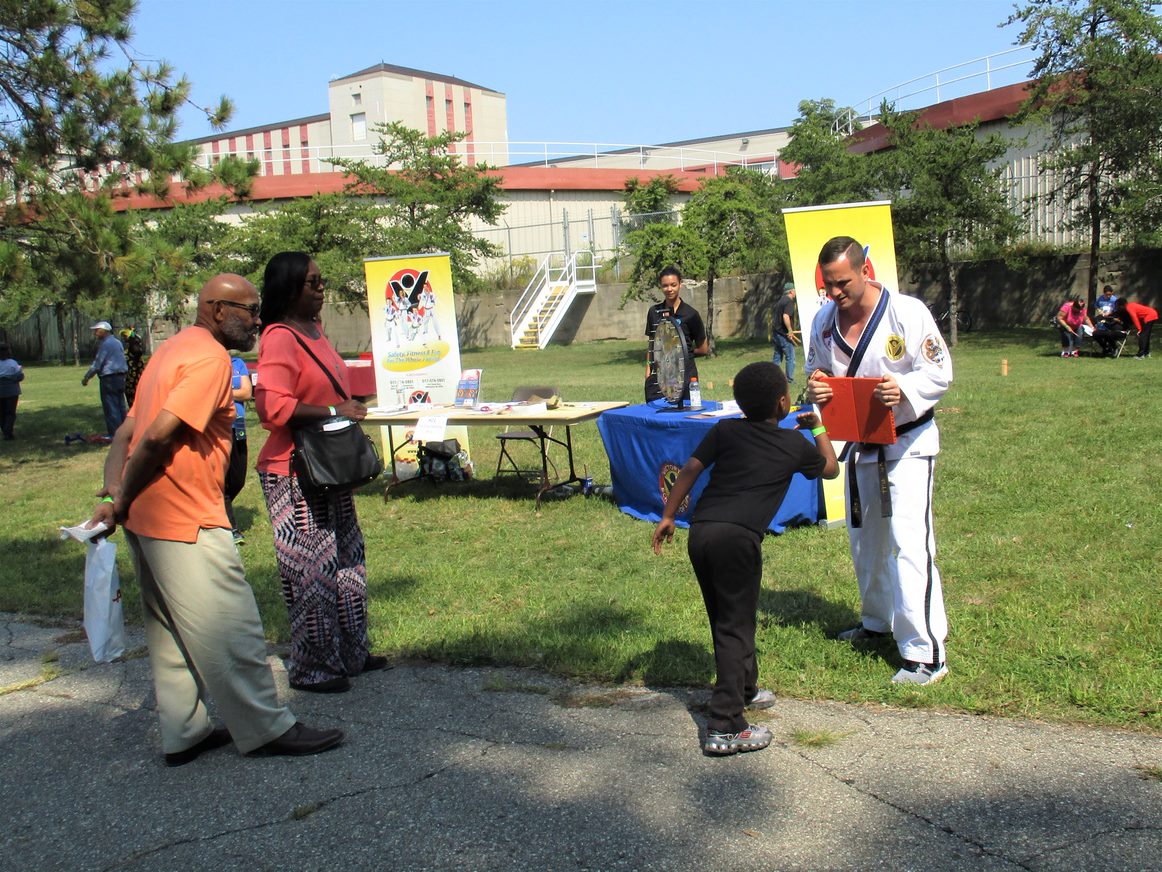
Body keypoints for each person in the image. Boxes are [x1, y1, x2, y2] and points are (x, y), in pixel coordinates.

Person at [86, 274, 344, 764]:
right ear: (217, 309)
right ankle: (267, 728)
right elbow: (158, 437)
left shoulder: (169, 351)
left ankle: (185, 732)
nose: (257, 320)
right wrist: (119, 503)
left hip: (148, 519)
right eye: (248, 310)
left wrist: (119, 491)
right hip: (187, 518)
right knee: (235, 627)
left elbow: (126, 431)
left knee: (169, 635)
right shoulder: (209, 360)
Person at [652, 362, 838, 755]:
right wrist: (817, 428)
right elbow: (831, 469)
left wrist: (669, 515)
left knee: (729, 618)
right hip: (738, 540)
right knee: (735, 627)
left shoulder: (725, 430)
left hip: (701, 533)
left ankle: (744, 690)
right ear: (784, 402)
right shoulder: (794, 444)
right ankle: (724, 725)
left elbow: (689, 469)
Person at [805, 236, 953, 686]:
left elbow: (940, 371)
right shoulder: (824, 321)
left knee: (910, 545)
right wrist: (818, 387)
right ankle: (876, 623)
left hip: (907, 444)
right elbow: (816, 372)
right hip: (859, 446)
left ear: (864, 269)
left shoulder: (906, 312)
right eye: (828, 286)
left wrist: (902, 389)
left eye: (842, 283)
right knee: (865, 542)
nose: (835, 294)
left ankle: (925, 653)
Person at [254, 251, 386, 694]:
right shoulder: (278, 337)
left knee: (347, 559)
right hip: (294, 471)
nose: (321, 288)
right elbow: (272, 408)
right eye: (312, 282)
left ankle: (351, 653)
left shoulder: (314, 331)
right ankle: (313, 667)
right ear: (289, 288)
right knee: (311, 569)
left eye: (321, 281)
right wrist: (335, 409)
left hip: (328, 466)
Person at [644, 266, 709, 403]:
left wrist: (680, 352)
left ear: (680, 284)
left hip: (685, 376)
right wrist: (648, 368)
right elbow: (651, 343)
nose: (669, 289)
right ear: (661, 287)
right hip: (659, 376)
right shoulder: (653, 312)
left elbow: (703, 349)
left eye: (673, 285)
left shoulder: (691, 314)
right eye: (665, 286)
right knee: (656, 414)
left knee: (685, 414)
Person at [81, 321, 128, 437]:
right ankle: (124, 433)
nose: (95, 333)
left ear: (104, 331)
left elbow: (97, 364)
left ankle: (115, 434)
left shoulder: (105, 345)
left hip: (109, 378)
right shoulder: (117, 343)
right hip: (121, 377)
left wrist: (86, 378)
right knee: (121, 406)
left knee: (111, 407)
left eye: (97, 331)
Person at [224, 353, 253, 544]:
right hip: (220, 427)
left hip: (239, 424)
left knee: (238, 478)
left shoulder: (237, 363)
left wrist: (224, 392)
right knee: (223, 481)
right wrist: (236, 391)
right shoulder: (209, 362)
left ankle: (216, 508)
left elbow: (247, 392)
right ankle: (230, 528)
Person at [771, 281, 800, 382]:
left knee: (777, 357)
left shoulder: (781, 300)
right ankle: (790, 379)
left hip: (776, 332)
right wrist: (790, 331)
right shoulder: (789, 301)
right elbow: (786, 316)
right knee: (790, 357)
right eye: (795, 290)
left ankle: (772, 378)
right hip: (783, 334)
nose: (796, 292)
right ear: (791, 291)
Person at [0, 342, 24, 440]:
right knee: (10, 412)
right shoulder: (13, 363)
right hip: (12, 391)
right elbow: (19, 377)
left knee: (1, 413)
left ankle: (5, 430)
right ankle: (8, 432)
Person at [121, 328, 146, 406]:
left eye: (124, 336)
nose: (123, 338)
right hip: (138, 374)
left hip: (133, 375)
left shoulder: (133, 347)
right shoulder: (136, 345)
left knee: (132, 394)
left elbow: (137, 353)